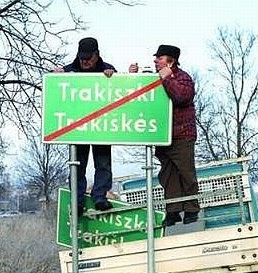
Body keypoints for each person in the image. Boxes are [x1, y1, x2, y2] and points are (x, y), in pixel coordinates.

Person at [129, 44, 200, 226]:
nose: (155, 60)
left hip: (182, 135)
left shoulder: (183, 78)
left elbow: (182, 97)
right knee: (168, 176)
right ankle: (173, 210)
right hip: (161, 135)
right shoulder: (154, 78)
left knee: (186, 173)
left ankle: (192, 210)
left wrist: (167, 78)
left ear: (171, 60)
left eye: (159, 58)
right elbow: (139, 97)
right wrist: (133, 77)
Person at [54, 37, 116, 216]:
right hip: (78, 129)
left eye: (88, 57)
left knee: (103, 164)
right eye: (82, 57)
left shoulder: (108, 70)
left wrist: (113, 76)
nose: (85, 61)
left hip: (102, 127)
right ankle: (77, 202)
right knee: (77, 166)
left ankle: (100, 197)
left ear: (97, 55)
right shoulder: (68, 71)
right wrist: (58, 76)